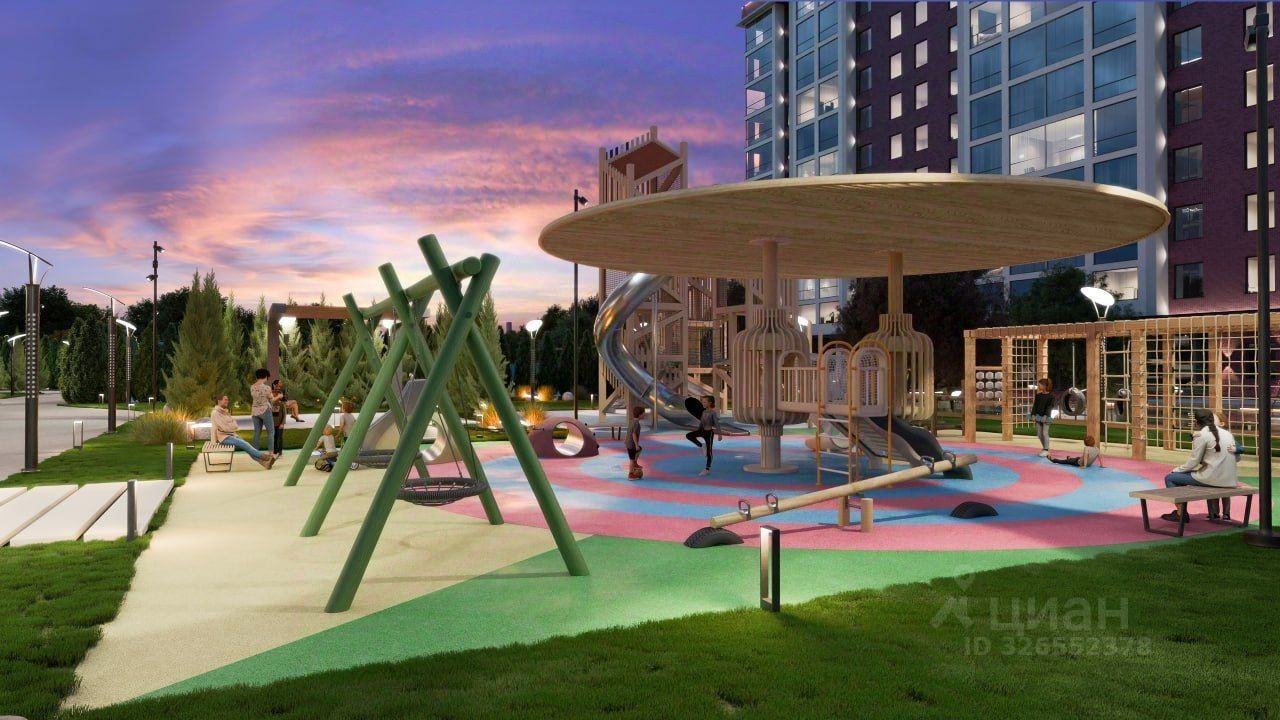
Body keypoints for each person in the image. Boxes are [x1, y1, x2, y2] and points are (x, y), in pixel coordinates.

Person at [1161, 409, 1239, 523]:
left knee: (1170, 478)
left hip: (1212, 479)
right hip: (1230, 480)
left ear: (1196, 422)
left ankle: (1181, 513)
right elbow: (1236, 457)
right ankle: (1181, 512)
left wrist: (1177, 470)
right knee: (1182, 476)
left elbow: (1194, 461)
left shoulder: (1201, 435)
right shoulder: (1228, 434)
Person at [211, 394, 276, 469]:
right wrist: (231, 427)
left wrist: (231, 427)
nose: (227, 401)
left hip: (231, 435)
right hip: (223, 438)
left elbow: (234, 425)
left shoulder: (224, 412)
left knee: (247, 446)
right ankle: (265, 457)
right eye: (225, 400)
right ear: (219, 401)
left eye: (227, 400)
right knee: (245, 444)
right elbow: (225, 428)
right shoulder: (215, 413)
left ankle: (265, 463)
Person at [686, 395, 723, 476]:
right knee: (689, 435)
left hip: (709, 433)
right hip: (702, 431)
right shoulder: (703, 412)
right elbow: (702, 422)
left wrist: (720, 434)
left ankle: (707, 469)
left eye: (705, 402)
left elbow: (717, 424)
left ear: (710, 403)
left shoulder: (712, 413)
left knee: (709, 452)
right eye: (702, 402)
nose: (703, 403)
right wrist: (698, 430)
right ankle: (701, 445)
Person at [250, 369, 276, 456]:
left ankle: (255, 453)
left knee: (257, 432)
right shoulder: (267, 388)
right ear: (265, 376)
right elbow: (272, 400)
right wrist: (279, 396)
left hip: (254, 411)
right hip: (265, 410)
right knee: (271, 432)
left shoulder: (252, 387)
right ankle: (271, 453)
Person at [1030, 378, 1054, 457]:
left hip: (1047, 417)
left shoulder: (1051, 396)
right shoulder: (1038, 396)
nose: (1038, 386)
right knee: (1039, 434)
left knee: (1045, 433)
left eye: (1039, 384)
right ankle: (1045, 448)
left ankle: (1046, 450)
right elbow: (1035, 406)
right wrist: (1033, 414)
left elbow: (1050, 407)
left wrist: (1045, 416)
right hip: (1038, 417)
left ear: (1044, 386)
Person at [625, 406, 645, 479]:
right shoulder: (636, 423)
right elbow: (633, 434)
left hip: (629, 443)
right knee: (632, 459)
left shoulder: (632, 421)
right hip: (631, 444)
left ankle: (635, 463)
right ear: (639, 415)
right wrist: (636, 445)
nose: (644, 415)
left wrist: (626, 440)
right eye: (643, 413)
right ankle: (631, 474)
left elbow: (629, 431)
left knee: (639, 449)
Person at [270, 379, 287, 455]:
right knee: (274, 437)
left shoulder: (281, 404)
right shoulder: (270, 404)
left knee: (279, 437)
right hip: (272, 424)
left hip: (280, 424)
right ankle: (275, 451)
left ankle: (280, 451)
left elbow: (284, 414)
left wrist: (282, 423)